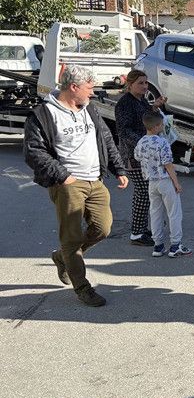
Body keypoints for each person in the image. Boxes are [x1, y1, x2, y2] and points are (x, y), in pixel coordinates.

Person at [23, 64, 129, 307]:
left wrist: (118, 168)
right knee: (71, 238)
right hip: (68, 183)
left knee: (102, 228)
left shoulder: (89, 108)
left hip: (95, 180)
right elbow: (33, 152)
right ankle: (82, 287)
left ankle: (62, 257)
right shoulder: (44, 114)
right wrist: (63, 176)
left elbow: (105, 138)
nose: (92, 92)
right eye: (89, 88)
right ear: (73, 87)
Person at [115, 70, 167, 247]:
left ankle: (141, 229)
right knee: (143, 192)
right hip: (133, 155)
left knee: (145, 192)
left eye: (146, 83)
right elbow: (124, 131)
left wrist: (155, 107)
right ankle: (137, 234)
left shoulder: (141, 100)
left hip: (145, 154)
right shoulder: (124, 104)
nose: (145, 86)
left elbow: (145, 118)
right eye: (140, 83)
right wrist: (144, 143)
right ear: (130, 85)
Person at [134, 111, 191, 258]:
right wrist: (176, 183)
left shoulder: (141, 142)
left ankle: (158, 245)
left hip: (151, 182)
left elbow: (137, 156)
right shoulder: (162, 142)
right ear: (157, 126)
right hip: (165, 180)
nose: (162, 127)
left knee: (155, 213)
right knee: (174, 213)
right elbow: (168, 164)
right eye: (161, 125)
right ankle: (175, 245)